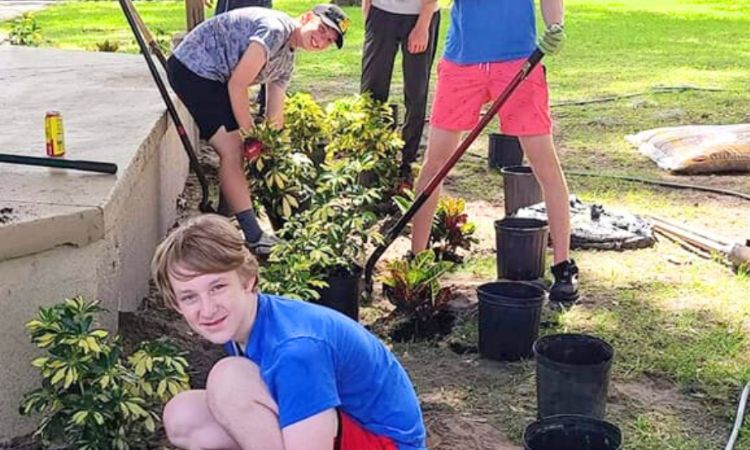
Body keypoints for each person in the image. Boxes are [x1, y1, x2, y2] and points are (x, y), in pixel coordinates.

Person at [151, 214, 427, 450]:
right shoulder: (247, 320)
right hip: (343, 429)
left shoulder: (295, 349)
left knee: (229, 380)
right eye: (189, 297)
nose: (207, 309)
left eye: (217, 287)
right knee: (184, 415)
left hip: (383, 443)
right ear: (176, 303)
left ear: (248, 280)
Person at [410, 0, 579, 302]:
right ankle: (417, 260)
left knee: (545, 165)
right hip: (462, 63)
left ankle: (563, 266)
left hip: (519, 62)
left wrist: (556, 25)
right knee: (435, 165)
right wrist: (422, 23)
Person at [166, 4, 350, 256]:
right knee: (232, 150)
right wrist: (250, 135)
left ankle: (224, 222)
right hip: (193, 69)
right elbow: (238, 84)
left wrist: (274, 154)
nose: (322, 40)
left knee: (239, 150)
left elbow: (275, 115)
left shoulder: (287, 61)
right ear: (307, 17)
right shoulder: (275, 30)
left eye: (329, 40)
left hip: (216, 79)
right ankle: (253, 236)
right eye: (322, 29)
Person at [360, 0, 440, 181]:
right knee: (372, 92)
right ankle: (370, 161)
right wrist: (367, 8)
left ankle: (407, 163)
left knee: (416, 92)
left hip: (420, 14)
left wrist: (423, 24)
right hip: (381, 12)